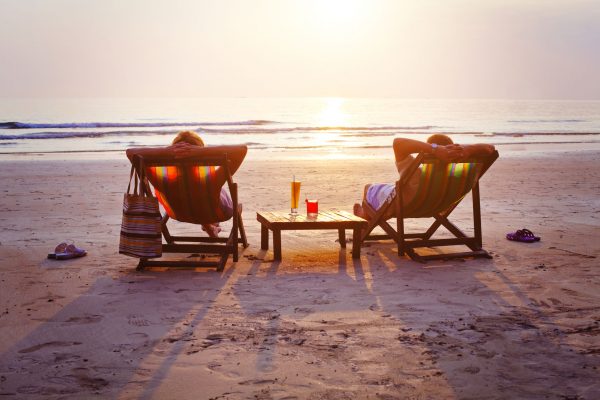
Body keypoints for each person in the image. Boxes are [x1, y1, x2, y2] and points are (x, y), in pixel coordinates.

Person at [126, 130, 246, 238]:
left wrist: (166, 151)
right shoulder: (211, 180)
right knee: (208, 195)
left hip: (179, 214)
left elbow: (130, 152)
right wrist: (200, 152)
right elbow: (242, 150)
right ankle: (211, 225)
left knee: (192, 196)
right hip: (217, 214)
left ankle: (211, 228)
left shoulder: (163, 181)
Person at [353, 134, 495, 220]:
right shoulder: (457, 175)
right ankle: (365, 213)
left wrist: (434, 149)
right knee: (385, 189)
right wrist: (467, 150)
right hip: (439, 205)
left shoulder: (416, 174)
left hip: (405, 204)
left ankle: (364, 214)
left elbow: (398, 143)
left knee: (369, 188)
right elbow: (490, 148)